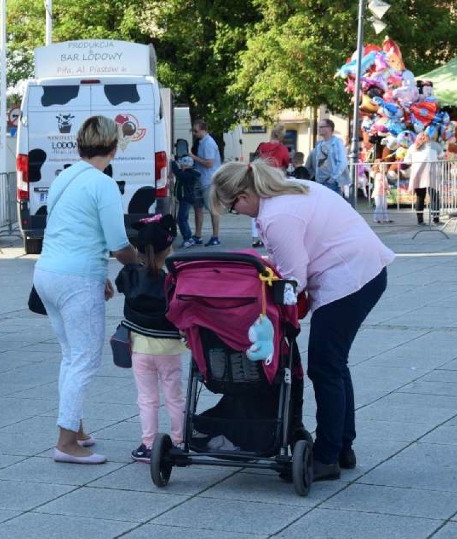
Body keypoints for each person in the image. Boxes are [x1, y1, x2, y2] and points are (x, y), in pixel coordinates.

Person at [210, 160, 394, 481]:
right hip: (362, 270)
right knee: (334, 364)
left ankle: (326, 458)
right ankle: (341, 447)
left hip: (350, 277)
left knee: (324, 367)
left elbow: (293, 279)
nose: (239, 214)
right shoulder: (288, 193)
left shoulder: (277, 215)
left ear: (243, 195)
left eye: (233, 208)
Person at [33, 115, 140, 465]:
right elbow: (118, 243)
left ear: (79, 144)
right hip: (77, 279)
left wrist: (99, 272)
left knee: (70, 354)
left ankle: (75, 427)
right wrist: (143, 265)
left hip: (48, 272)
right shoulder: (103, 184)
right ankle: (65, 442)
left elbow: (69, 228)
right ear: (113, 146)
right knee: (84, 358)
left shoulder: (66, 176)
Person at [115, 214, 186, 463]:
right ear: (168, 250)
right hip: (170, 348)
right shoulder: (174, 280)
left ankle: (147, 444)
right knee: (174, 396)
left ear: (138, 249)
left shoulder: (129, 274)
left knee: (146, 398)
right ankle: (179, 441)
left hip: (140, 348)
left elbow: (121, 285)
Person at [252, 124, 291, 247]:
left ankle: (256, 237)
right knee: (275, 208)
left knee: (258, 209)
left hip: (261, 179)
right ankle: (272, 236)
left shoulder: (262, 146)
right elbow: (286, 163)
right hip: (275, 181)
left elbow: (255, 160)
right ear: (282, 136)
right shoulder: (283, 149)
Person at [190, 119, 221, 246]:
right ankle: (198, 235)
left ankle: (215, 236)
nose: (194, 133)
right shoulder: (201, 142)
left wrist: (193, 157)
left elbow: (209, 163)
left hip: (208, 181)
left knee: (213, 208)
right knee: (198, 207)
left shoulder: (208, 143)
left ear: (203, 130)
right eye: (193, 131)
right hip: (200, 179)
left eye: (196, 131)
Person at [404, 131, 444, 225]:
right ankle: (432, 220)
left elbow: (407, 161)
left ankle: (424, 220)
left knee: (425, 197)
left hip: (424, 174)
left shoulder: (415, 146)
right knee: (430, 197)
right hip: (427, 174)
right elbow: (441, 158)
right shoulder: (433, 145)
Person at [305, 118, 349, 194]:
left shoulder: (337, 143)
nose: (319, 129)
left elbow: (342, 161)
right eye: (319, 127)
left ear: (329, 128)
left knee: (332, 205)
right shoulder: (319, 144)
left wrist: (333, 178)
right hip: (320, 182)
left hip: (332, 183)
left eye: (321, 127)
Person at [170, 156, 202, 247]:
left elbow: (177, 173)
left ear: (186, 165)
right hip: (186, 199)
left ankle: (187, 238)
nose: (181, 166)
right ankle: (188, 237)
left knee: (181, 219)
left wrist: (172, 163)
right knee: (183, 218)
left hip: (186, 199)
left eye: (182, 164)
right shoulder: (190, 173)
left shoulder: (188, 174)